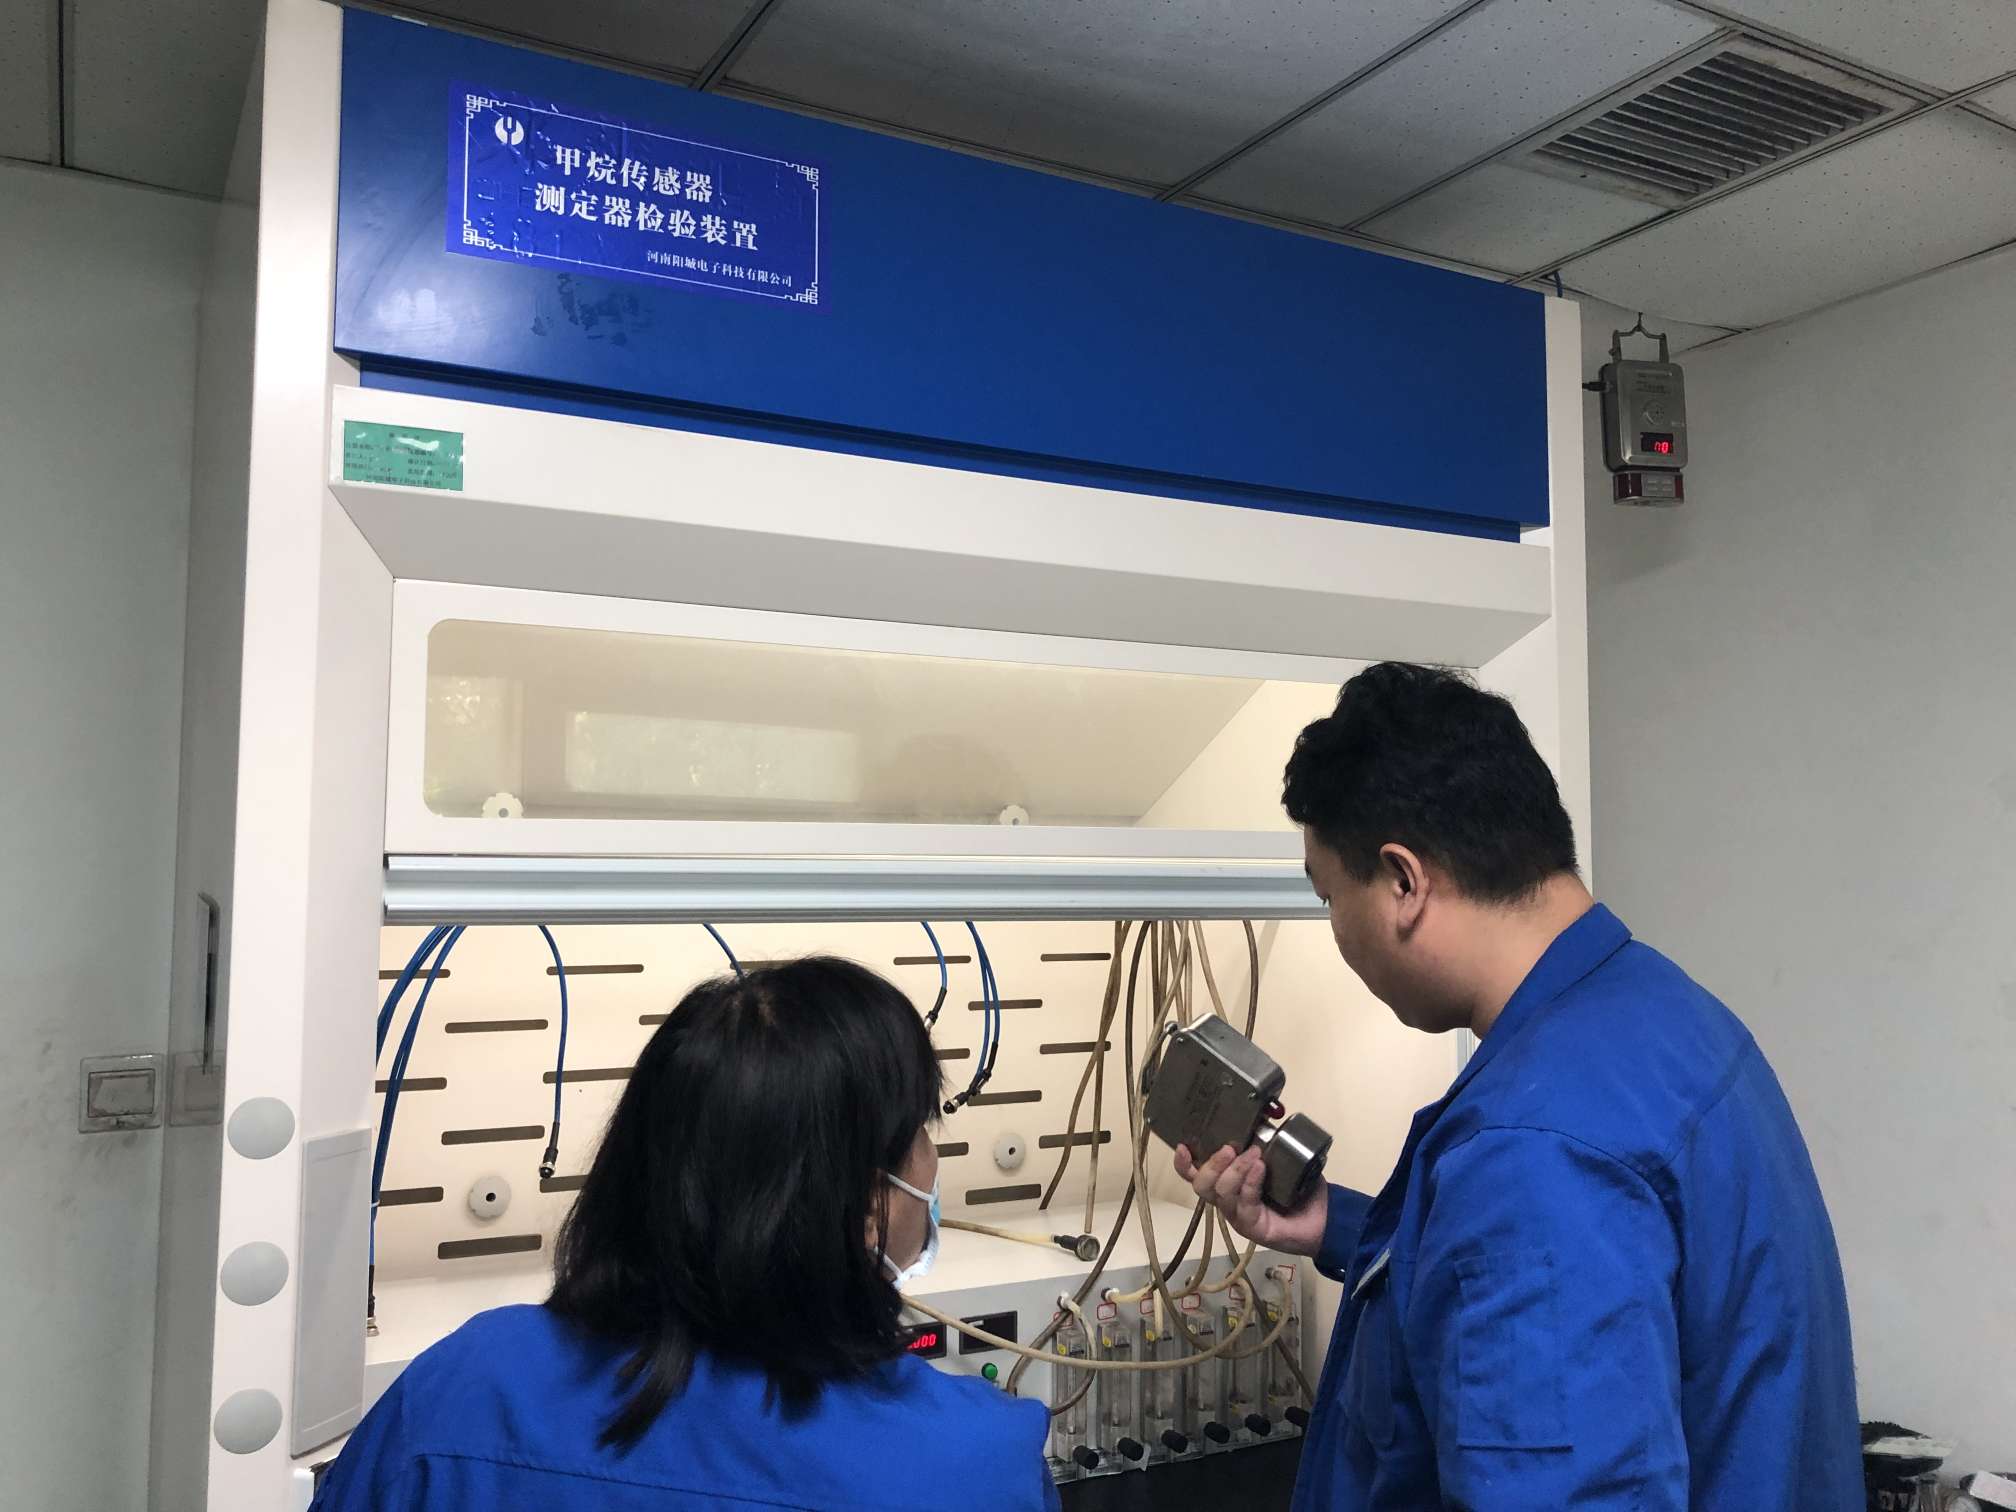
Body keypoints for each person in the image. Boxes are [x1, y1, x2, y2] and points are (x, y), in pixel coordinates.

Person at [1178, 662, 1859, 1509]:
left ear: (1403, 882)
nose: (1337, 930)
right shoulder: (1668, 1017)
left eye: (1328, 898)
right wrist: (1340, 1227)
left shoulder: (1531, 1152)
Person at [313, 957, 1058, 1512]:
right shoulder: (979, 1468)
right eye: (924, 1128)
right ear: (867, 1204)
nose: (930, 1158)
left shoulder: (460, 1390)